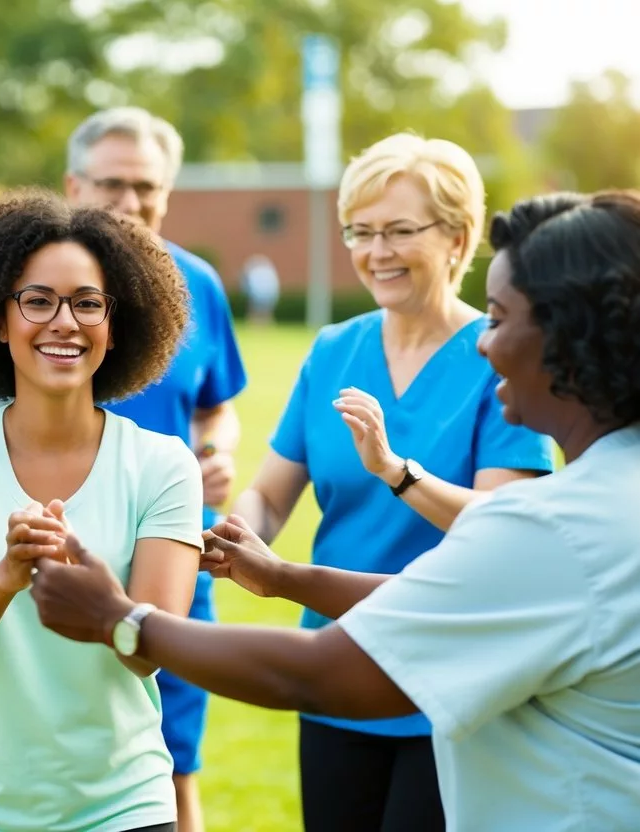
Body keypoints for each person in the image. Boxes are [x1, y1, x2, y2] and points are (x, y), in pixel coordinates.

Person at [29, 188, 640, 831]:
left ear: (568, 336)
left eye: (497, 315)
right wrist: (286, 577)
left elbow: (319, 673)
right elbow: (449, 595)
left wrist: (121, 620)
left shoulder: (557, 528)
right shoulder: (610, 497)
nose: (483, 344)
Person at [223, 133, 559, 830]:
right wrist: (236, 536)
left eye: (399, 231)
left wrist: (396, 472)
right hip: (335, 664)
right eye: (360, 231)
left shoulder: (498, 356)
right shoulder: (332, 349)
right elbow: (269, 494)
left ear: (457, 236)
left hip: (452, 678)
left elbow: (505, 530)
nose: (375, 251)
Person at [0, 189, 201, 832]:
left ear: (116, 326)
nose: (65, 322)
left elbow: (153, 651)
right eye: (38, 301)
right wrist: (5, 577)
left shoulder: (163, 466)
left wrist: (101, 597)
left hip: (122, 808)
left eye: (88, 303)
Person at [64, 105, 246, 832]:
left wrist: (216, 450)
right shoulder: (30, 284)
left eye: (147, 186)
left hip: (170, 557)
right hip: (55, 552)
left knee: (173, 766)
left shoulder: (197, 285)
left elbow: (215, 405)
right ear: (74, 187)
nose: (130, 202)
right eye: (112, 183)